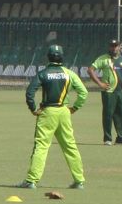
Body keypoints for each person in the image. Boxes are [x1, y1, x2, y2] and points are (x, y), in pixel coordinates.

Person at [18, 44, 88, 190]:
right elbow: (84, 93)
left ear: (48, 57)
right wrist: (75, 107)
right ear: (62, 57)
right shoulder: (69, 74)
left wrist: (33, 108)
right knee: (70, 146)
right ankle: (79, 181)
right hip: (64, 112)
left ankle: (31, 181)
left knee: (41, 146)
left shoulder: (43, 73)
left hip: (48, 112)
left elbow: (30, 92)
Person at [87, 39, 122, 145]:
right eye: (112, 46)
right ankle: (108, 139)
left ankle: (121, 138)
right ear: (109, 47)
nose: (114, 48)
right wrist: (100, 84)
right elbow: (90, 70)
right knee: (108, 114)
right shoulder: (103, 59)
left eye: (116, 46)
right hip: (108, 92)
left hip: (120, 92)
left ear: (119, 47)